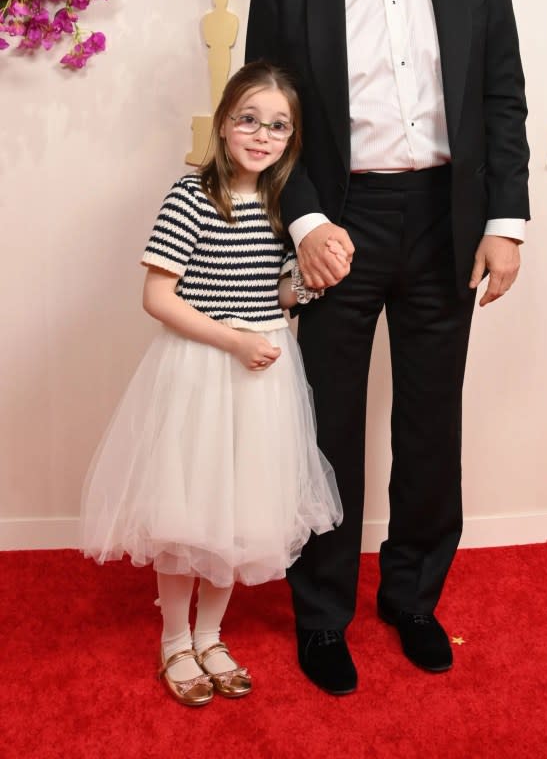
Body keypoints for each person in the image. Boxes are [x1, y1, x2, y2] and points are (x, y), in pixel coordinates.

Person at [245, 0, 530, 695]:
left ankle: (411, 599)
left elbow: (500, 99)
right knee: (324, 430)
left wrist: (505, 222)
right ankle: (321, 617)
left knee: (429, 423)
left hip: (449, 219)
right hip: (340, 221)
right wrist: (308, 221)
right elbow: (266, 119)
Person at [80, 61, 342, 706]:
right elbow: (157, 297)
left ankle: (211, 634)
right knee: (188, 508)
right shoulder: (192, 194)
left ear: (291, 139)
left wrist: (315, 276)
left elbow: (280, 294)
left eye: (277, 126)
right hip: (203, 368)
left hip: (263, 376)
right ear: (224, 123)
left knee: (241, 508)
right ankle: (176, 642)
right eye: (249, 119)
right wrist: (235, 341)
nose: (261, 134)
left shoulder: (286, 206)